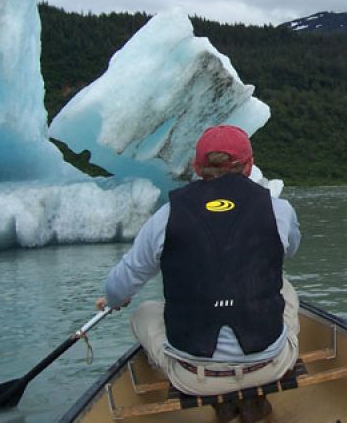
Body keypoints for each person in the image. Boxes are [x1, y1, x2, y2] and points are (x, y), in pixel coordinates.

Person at [96, 124, 301, 423]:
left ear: (195, 167)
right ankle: (255, 401)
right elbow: (290, 249)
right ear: (249, 166)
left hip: (194, 377)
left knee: (144, 312)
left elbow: (118, 285)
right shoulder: (279, 210)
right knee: (286, 288)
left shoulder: (167, 216)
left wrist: (117, 298)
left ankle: (223, 407)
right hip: (271, 364)